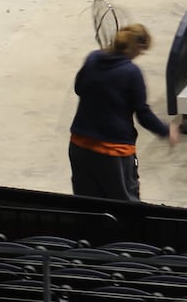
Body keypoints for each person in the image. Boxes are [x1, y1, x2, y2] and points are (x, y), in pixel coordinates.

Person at [68, 24, 179, 201]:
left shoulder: (92, 59)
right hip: (113, 153)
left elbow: (79, 88)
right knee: (125, 207)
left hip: (80, 146)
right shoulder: (131, 72)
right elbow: (143, 113)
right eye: (142, 53)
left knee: (87, 206)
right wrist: (166, 131)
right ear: (138, 47)